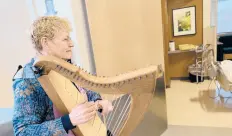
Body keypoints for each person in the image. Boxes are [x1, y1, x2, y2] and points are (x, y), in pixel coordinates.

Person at [12, 16, 113, 136]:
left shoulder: (64, 65)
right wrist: (69, 121)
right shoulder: (26, 79)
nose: (71, 44)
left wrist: (98, 101)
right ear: (45, 42)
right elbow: (22, 132)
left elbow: (84, 90)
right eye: (65, 39)